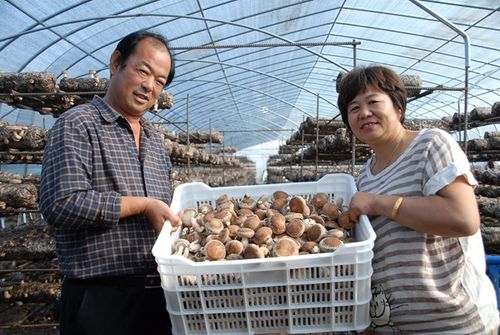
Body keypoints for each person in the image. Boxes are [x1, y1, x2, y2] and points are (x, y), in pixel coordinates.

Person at [337, 65, 500, 334]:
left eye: (373, 102)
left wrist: (379, 203)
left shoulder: (430, 145)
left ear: (398, 107)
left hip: (452, 323)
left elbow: (462, 218)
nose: (364, 113)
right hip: (394, 325)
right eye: (353, 108)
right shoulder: (365, 176)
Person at [39, 30, 181, 335]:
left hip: (159, 296)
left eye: (160, 81)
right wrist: (142, 205)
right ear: (116, 63)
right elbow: (60, 204)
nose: (149, 86)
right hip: (101, 299)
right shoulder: (77, 124)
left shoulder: (156, 140)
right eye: (143, 71)